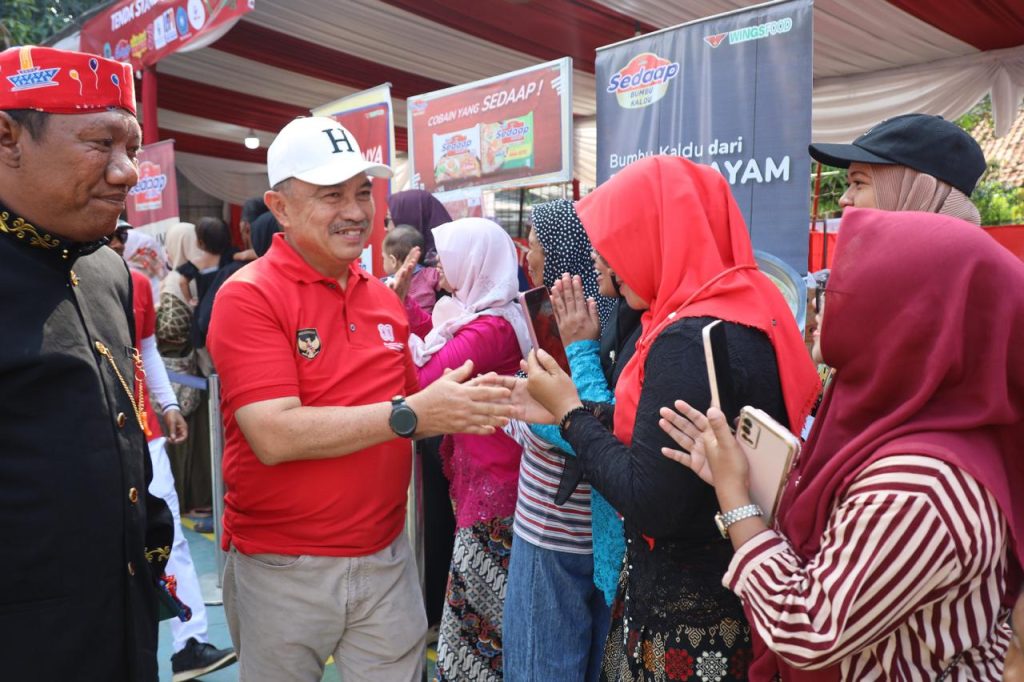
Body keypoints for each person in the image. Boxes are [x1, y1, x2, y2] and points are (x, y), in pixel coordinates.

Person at [206, 116, 513, 682]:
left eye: (363, 192)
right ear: (280, 206)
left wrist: (485, 401)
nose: (354, 211)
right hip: (282, 566)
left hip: (385, 557)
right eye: (331, 195)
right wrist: (411, 414)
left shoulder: (382, 299)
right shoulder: (249, 296)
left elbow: (414, 407)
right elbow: (273, 435)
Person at [659, 208, 1023, 679]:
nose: (822, 302)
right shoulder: (904, 422)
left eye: (843, 285)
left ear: (906, 317)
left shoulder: (921, 486)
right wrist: (743, 485)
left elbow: (806, 628)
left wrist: (734, 499)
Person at [501, 156, 820, 681]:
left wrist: (570, 414)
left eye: (614, 248)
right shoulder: (750, 303)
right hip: (729, 592)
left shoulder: (686, 338)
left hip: (687, 622)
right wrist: (579, 412)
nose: (603, 270)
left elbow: (649, 499)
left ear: (655, 236)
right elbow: (665, 443)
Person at [0, 45, 173, 681]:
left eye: (132, 148)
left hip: (122, 626)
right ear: (8, 137)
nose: (127, 172)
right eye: (101, 143)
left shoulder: (108, 271)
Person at [110, 226, 239, 680]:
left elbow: (145, 349)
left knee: (170, 538)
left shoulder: (136, 285)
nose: (114, 241)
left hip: (145, 435)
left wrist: (166, 406)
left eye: (120, 234)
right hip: (85, 443)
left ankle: (189, 642)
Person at [405, 217, 531, 682]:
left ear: (474, 261)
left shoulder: (491, 329)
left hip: (496, 491)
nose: (438, 267)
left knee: (480, 618)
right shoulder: (479, 315)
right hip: (487, 481)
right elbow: (439, 340)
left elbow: (426, 380)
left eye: (446, 257)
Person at [503, 199, 615, 682]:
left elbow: (586, 423)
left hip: (552, 526)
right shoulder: (621, 315)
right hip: (607, 532)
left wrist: (521, 415)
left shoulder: (570, 322)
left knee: (541, 663)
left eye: (536, 246)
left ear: (560, 255)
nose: (527, 256)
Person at [809, 112, 986, 224]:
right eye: (850, 184)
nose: (843, 200)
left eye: (859, 182)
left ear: (919, 192)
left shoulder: (957, 270)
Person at [176, 216, 234, 306]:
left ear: (200, 242)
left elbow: (182, 282)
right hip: (227, 303)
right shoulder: (230, 256)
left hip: (205, 307)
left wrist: (190, 300)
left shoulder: (197, 262)